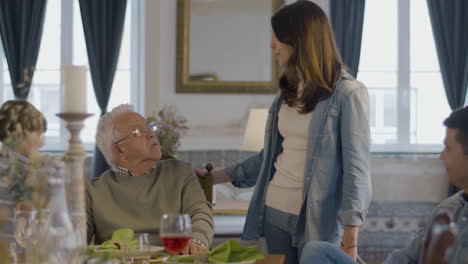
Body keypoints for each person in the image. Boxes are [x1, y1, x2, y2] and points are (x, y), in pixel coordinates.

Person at [195, 2, 371, 263]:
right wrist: (211, 177)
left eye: (277, 37)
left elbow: (356, 170)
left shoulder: (348, 93)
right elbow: (269, 158)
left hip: (318, 221)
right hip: (275, 211)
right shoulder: (287, 93)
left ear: (299, 39)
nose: (271, 45)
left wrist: (351, 238)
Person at [299, 106, 468, 264]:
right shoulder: (449, 208)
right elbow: (406, 257)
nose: (441, 156)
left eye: (448, 148)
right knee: (316, 251)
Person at [86, 104, 213, 255]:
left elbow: (201, 213)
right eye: (139, 131)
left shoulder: (181, 172)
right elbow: (75, 242)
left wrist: (197, 241)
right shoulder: (93, 191)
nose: (152, 134)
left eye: (149, 127)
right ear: (119, 149)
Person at [0, 100, 47, 242]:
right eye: (37, 134)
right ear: (16, 133)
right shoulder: (21, 169)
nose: (40, 142)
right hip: (11, 244)